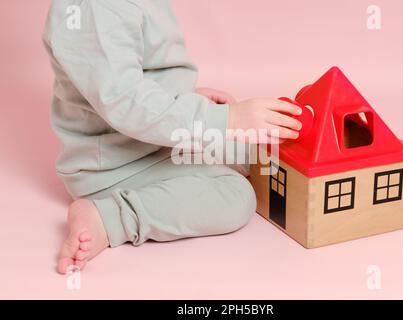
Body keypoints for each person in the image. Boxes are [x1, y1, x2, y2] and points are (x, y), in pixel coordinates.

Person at [43, 0, 302, 274]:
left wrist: (182, 98)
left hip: (152, 139)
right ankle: (109, 218)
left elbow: (136, 73)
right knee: (236, 197)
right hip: (113, 166)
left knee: (259, 155)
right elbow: (125, 102)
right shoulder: (94, 10)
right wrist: (228, 119)